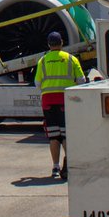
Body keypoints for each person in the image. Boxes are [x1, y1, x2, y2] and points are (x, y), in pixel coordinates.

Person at [35, 31, 85, 180]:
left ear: (49, 44)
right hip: (66, 101)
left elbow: (37, 83)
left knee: (53, 136)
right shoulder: (71, 59)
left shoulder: (42, 61)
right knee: (66, 135)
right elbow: (81, 80)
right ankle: (69, 164)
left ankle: (55, 167)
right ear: (62, 43)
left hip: (48, 101)